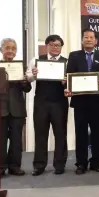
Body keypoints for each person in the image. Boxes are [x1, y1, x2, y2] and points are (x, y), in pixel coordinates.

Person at [65, 28, 99, 175]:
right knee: (81, 133)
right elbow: (69, 75)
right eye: (86, 37)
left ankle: (96, 162)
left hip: (97, 101)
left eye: (91, 37)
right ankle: (81, 163)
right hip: (80, 101)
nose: (89, 39)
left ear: (96, 41)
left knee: (98, 133)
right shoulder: (74, 56)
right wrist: (68, 86)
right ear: (82, 40)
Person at [26, 35, 69, 175]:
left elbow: (71, 83)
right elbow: (28, 78)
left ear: (61, 47)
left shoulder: (66, 62)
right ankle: (39, 165)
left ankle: (60, 165)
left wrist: (66, 82)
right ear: (47, 46)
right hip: (41, 103)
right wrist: (33, 74)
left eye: (58, 45)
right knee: (40, 134)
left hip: (59, 103)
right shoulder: (37, 60)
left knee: (61, 134)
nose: (55, 47)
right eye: (52, 45)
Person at [0, 38, 32, 176]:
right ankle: (0, 167)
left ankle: (15, 166)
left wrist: (25, 80)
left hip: (17, 109)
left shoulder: (21, 67)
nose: (10, 51)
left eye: (13, 48)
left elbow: (27, 89)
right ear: (1, 50)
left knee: (16, 140)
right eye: (7, 48)